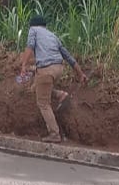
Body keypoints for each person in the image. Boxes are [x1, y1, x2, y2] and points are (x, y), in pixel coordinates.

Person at [19, 15, 88, 143]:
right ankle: (61, 95)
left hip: (46, 70)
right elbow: (67, 56)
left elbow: (29, 46)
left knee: (43, 103)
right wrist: (80, 74)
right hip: (59, 69)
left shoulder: (33, 30)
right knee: (37, 88)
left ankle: (54, 134)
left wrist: (23, 65)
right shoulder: (52, 36)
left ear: (33, 25)